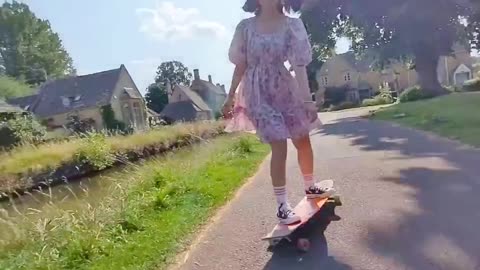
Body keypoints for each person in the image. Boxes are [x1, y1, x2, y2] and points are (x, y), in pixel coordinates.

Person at [222, 0, 335, 225]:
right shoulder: (245, 27)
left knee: (302, 139)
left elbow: (299, 65)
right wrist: (230, 96)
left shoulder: (292, 25)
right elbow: (240, 65)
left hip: (285, 86)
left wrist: (307, 100)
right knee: (278, 142)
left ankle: (310, 186)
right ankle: (283, 206)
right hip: (257, 91)